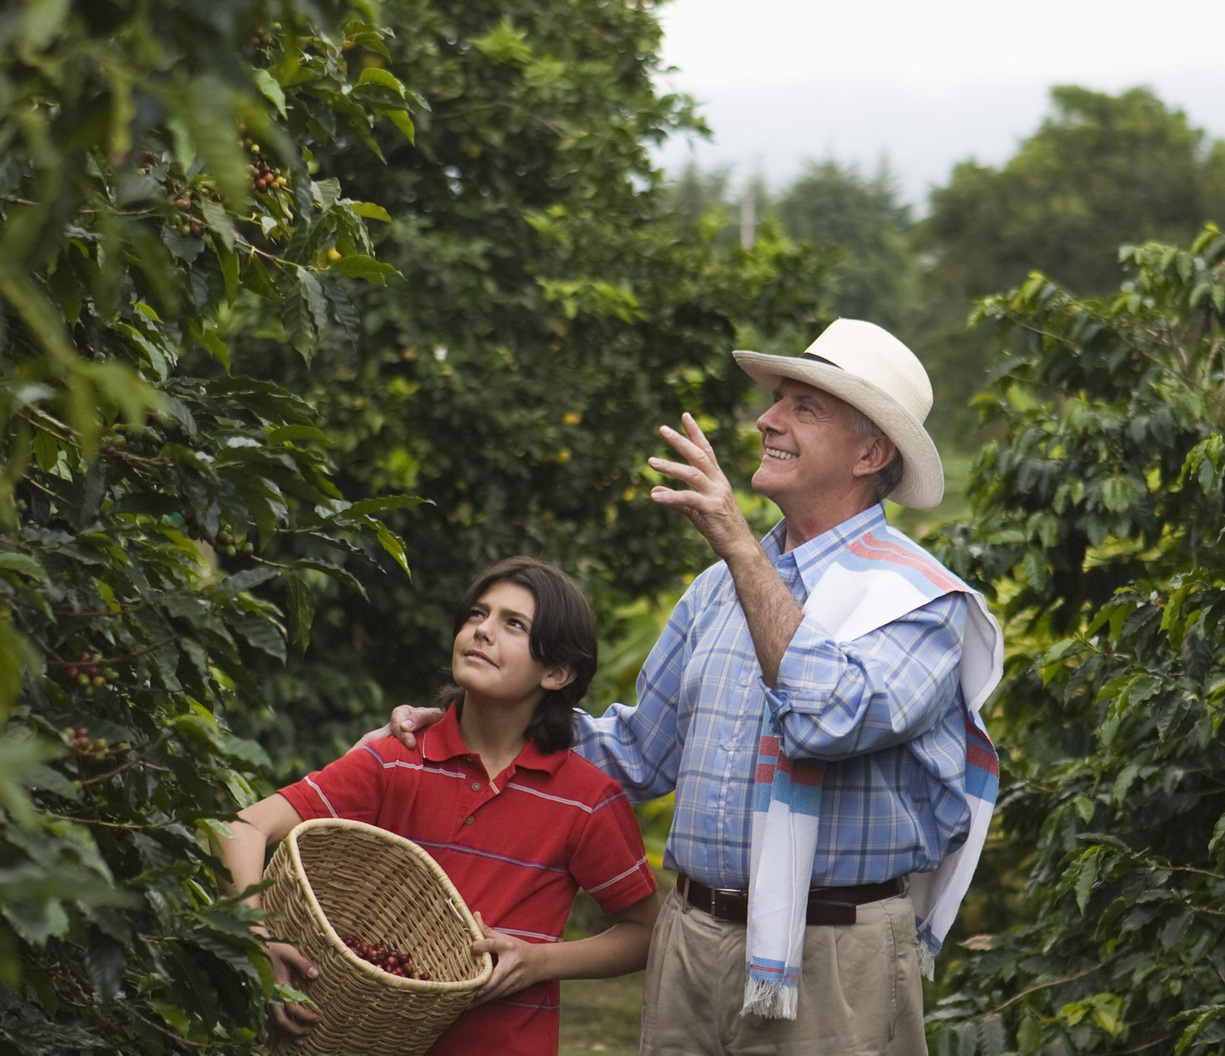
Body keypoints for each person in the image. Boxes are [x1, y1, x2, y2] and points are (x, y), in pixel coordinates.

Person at [379, 319, 1003, 1056]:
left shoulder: (919, 601)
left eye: (805, 407)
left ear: (872, 453)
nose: (767, 419)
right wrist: (475, 728)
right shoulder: (717, 591)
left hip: (835, 955)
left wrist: (739, 543)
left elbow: (829, 719)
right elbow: (640, 752)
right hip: (690, 937)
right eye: (778, 399)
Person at [219, 557, 662, 1056]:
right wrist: (257, 942)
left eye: (512, 624)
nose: (482, 631)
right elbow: (240, 827)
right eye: (477, 614)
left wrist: (541, 961)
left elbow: (646, 931)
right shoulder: (395, 760)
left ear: (558, 672)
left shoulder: (586, 799)